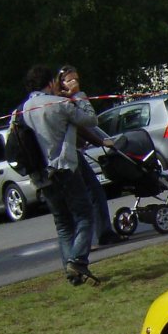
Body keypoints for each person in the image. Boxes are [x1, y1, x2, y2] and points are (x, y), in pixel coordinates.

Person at [20, 65, 103, 285]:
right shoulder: (59, 104)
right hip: (64, 168)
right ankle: (77, 260)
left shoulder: (22, 110)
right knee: (84, 215)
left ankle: (73, 275)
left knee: (63, 223)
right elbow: (91, 120)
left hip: (40, 175)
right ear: (50, 83)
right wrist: (77, 94)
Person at [59, 65, 119, 247]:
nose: (75, 83)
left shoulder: (67, 102)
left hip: (72, 155)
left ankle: (83, 242)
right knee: (90, 194)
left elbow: (83, 127)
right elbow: (89, 120)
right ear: (60, 83)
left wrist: (100, 141)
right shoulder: (63, 102)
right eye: (70, 80)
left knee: (87, 195)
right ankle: (94, 238)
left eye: (77, 79)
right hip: (69, 156)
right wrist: (78, 95)